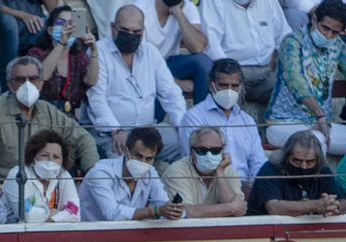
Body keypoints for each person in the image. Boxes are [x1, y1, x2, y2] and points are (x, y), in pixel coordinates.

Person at [266, 1, 346, 154]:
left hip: (324, 124)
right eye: (325, 28)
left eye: (335, 32)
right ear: (314, 19)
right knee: (315, 140)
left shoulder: (336, 44)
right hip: (284, 123)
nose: (328, 35)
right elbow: (296, 83)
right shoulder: (292, 42)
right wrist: (320, 115)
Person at [0, 56, 98, 183]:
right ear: (10, 85)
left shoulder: (49, 110)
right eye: (20, 79)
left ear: (41, 83)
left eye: (33, 79)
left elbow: (83, 139)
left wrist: (93, 174)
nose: (27, 84)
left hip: (45, 187)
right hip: (5, 187)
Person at [85, 5, 186, 162]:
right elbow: (96, 98)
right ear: (113, 27)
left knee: (185, 144)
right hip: (111, 133)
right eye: (125, 30)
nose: (131, 35)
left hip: (147, 130)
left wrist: (181, 125)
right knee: (122, 160)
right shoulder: (98, 51)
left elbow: (171, 93)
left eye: (136, 32)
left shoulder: (151, 52)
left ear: (142, 31)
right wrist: (115, 130)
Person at [177, 57, 266, 186]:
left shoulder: (247, 120)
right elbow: (193, 161)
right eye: (223, 85)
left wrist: (257, 186)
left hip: (247, 189)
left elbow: (258, 162)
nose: (229, 91)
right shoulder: (194, 117)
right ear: (211, 85)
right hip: (210, 187)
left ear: (240, 87)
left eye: (234, 86)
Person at [79, 125, 178, 222]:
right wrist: (155, 211)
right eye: (138, 156)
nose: (142, 162)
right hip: (90, 235)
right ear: (126, 151)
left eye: (148, 159)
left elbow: (162, 203)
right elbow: (112, 213)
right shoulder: (101, 172)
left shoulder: (150, 172)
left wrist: (173, 210)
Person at [197, 0, 286, 104]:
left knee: (294, 91)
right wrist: (230, 71)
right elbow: (211, 45)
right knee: (228, 92)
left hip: (265, 72)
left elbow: (285, 38)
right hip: (233, 71)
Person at [128, 0, 209, 107]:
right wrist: (176, 83)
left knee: (203, 62)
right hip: (143, 71)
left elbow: (198, 47)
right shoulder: (140, 9)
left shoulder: (187, 7)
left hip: (169, 65)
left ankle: (202, 119)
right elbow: (136, 61)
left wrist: (178, 13)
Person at [246, 129, 344, 216]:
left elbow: (343, 203)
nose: (303, 167)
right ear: (286, 157)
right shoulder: (270, 170)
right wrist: (315, 205)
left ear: (317, 161)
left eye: (309, 162)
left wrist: (334, 207)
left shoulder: (323, 171)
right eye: (297, 161)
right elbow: (273, 208)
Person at [27, 5, 98, 117]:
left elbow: (91, 81)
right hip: (41, 116)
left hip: (70, 118)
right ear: (50, 30)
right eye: (61, 22)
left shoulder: (79, 57)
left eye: (71, 23)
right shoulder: (36, 53)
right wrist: (61, 42)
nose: (66, 27)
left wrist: (93, 50)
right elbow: (42, 75)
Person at [161, 124, 246, 218]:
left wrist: (219, 172)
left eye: (215, 150)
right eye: (202, 150)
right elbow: (186, 212)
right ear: (191, 151)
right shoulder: (177, 171)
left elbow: (237, 212)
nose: (209, 155)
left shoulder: (229, 171)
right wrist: (231, 207)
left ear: (223, 150)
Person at [2, 128, 81, 223]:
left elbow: (75, 214)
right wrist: (51, 212)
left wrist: (52, 218)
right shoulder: (18, 174)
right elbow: (27, 216)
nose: (50, 161)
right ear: (33, 155)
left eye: (56, 157)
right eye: (44, 155)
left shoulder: (63, 175)